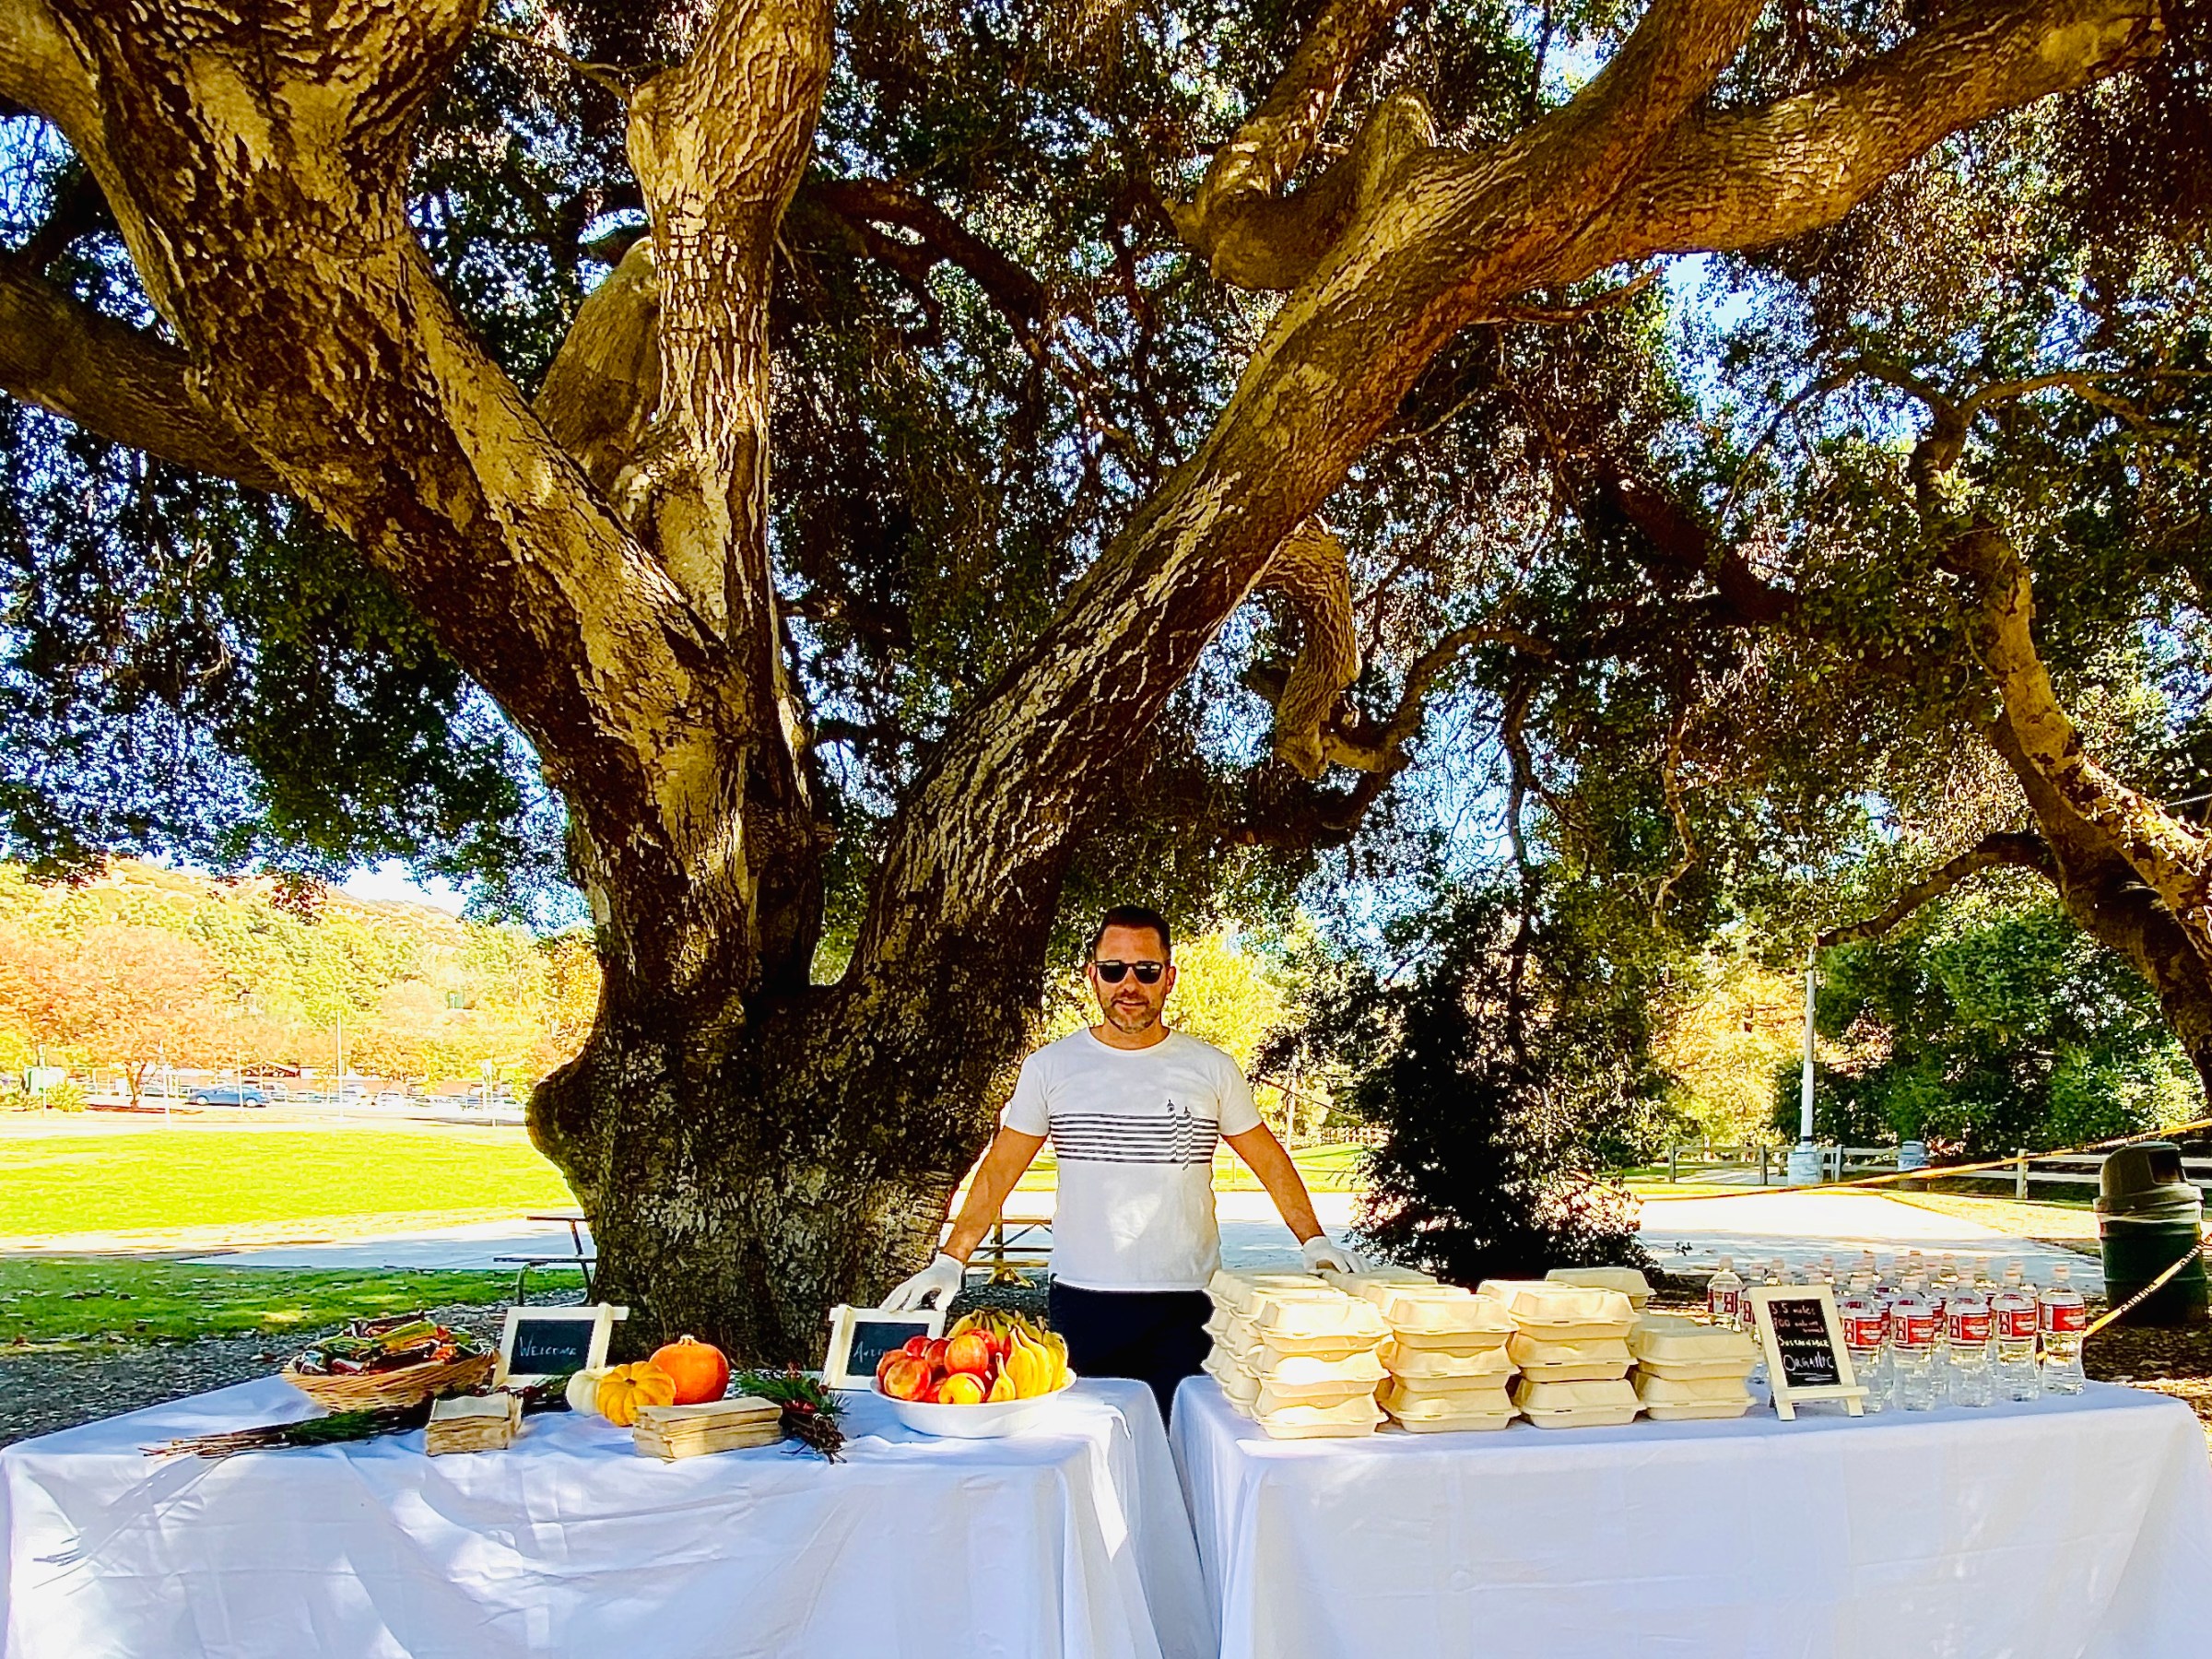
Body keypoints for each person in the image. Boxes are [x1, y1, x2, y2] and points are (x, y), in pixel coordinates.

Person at [884, 903, 1355, 1421]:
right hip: (1083, 1303)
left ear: (1168, 978)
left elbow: (1268, 1158)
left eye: (1145, 970)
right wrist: (952, 1259)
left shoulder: (1212, 1069)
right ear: (1093, 976)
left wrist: (1314, 1240)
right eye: (1114, 970)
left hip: (1187, 1304)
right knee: (1089, 1456)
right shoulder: (1050, 1068)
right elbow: (1001, 1169)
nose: (1128, 984)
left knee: (1185, 1456)